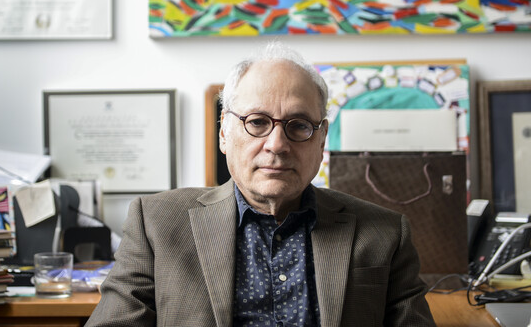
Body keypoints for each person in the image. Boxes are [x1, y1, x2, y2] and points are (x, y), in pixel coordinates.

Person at [86, 42, 435, 327]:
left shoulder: (384, 233)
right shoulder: (157, 223)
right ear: (225, 131)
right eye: (257, 122)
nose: (277, 144)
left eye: (298, 125)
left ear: (321, 138)